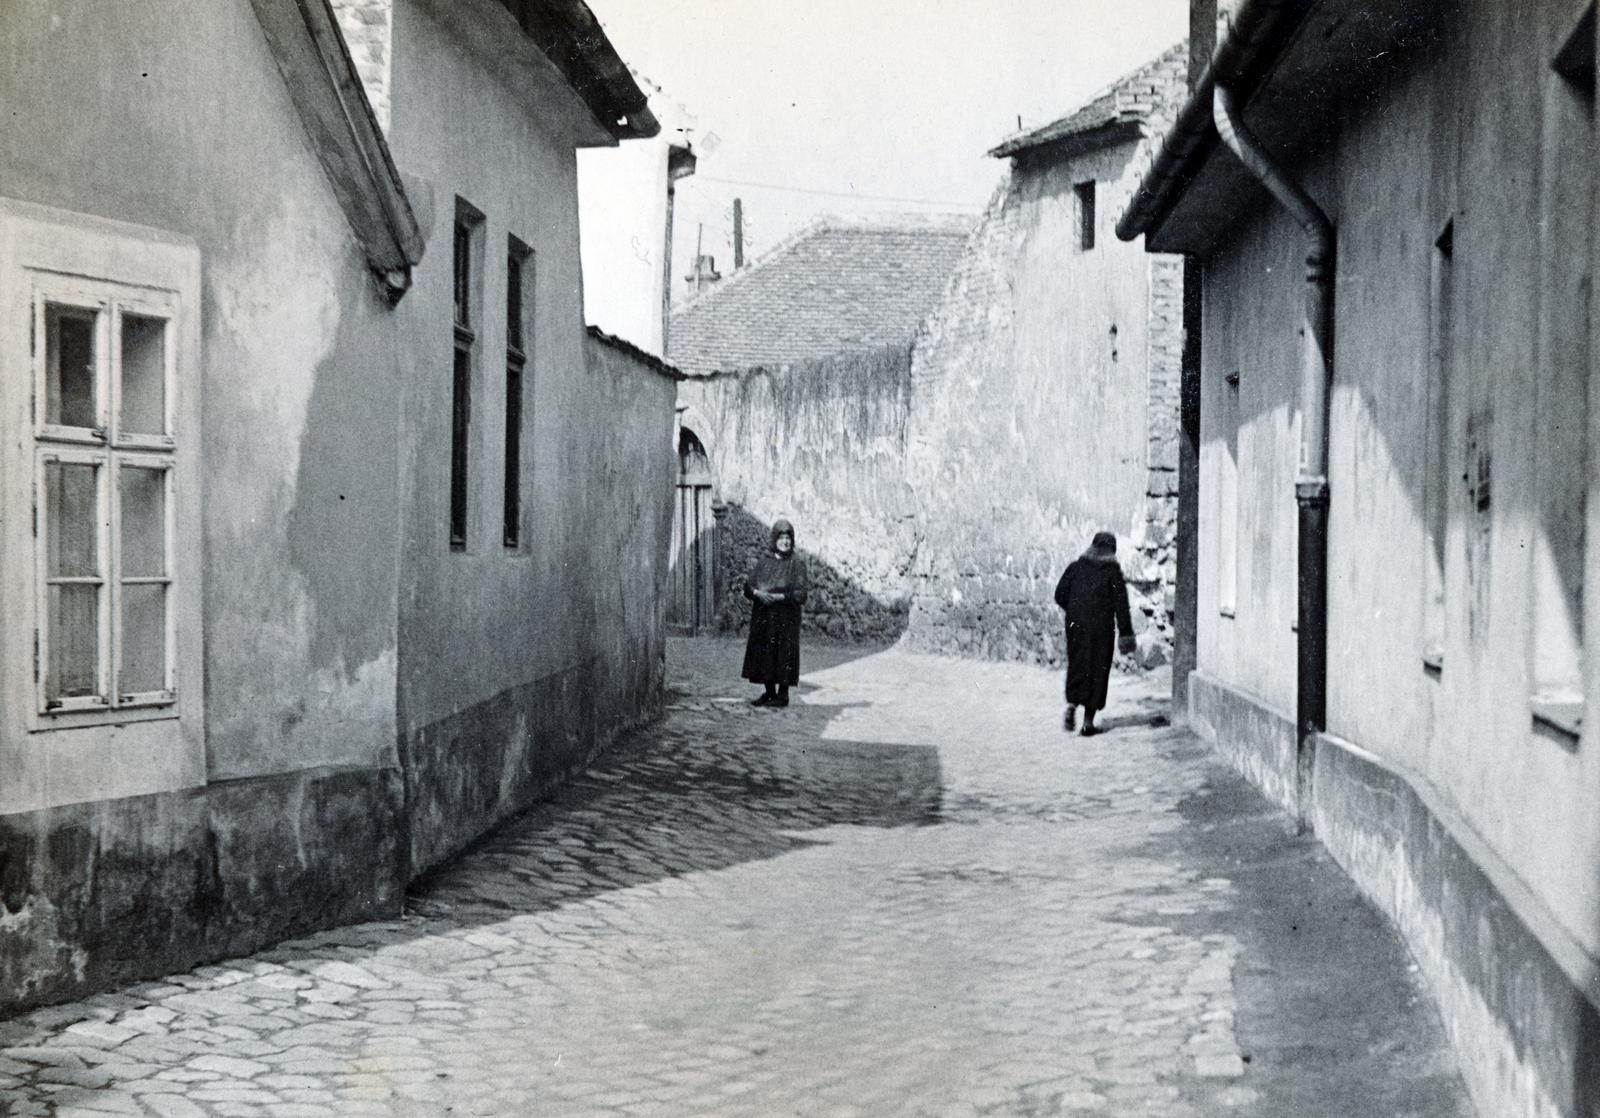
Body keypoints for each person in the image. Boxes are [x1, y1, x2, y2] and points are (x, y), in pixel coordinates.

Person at [1053, 530, 1137, 736]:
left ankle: (1072, 705)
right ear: (1112, 550)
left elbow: (1059, 594)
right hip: (1101, 628)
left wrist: (1075, 609)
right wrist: (1126, 633)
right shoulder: (1113, 572)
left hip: (1077, 625)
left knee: (1078, 664)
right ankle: (1088, 723)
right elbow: (1122, 606)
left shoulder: (1075, 567)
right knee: (1098, 670)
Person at [742, 518, 809, 707]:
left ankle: (783, 695)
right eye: (781, 538)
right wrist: (758, 593)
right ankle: (769, 692)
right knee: (764, 652)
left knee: (784, 653)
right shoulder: (764, 562)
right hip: (764, 617)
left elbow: (801, 594)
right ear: (774, 540)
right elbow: (747, 586)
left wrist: (778, 598)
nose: (785, 542)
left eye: (788, 538)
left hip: (786, 619)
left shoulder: (797, 563)